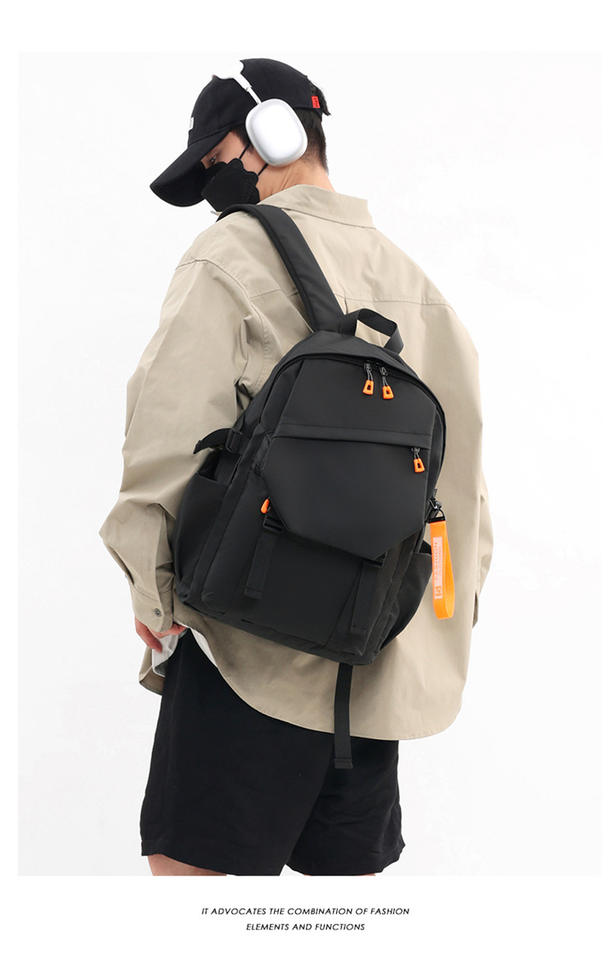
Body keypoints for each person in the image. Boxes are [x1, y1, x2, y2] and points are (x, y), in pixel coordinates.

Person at [99, 57, 494, 877]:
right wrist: (430, 633)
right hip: (374, 665)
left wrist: (154, 596)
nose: (215, 187)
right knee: (331, 918)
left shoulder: (230, 253)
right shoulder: (419, 285)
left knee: (192, 893)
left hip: (247, 652)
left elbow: (167, 435)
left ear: (272, 134)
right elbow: (464, 497)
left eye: (217, 160)